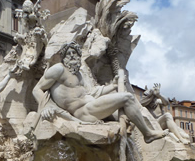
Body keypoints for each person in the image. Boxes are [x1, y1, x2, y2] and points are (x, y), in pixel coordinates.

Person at [32, 42, 168, 143]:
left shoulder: (79, 75)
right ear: (64, 57)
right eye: (69, 53)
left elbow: (92, 92)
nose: (72, 56)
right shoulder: (58, 69)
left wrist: (113, 85)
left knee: (129, 116)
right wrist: (46, 106)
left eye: (75, 53)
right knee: (127, 98)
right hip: (83, 112)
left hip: (91, 106)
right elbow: (37, 89)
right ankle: (148, 134)